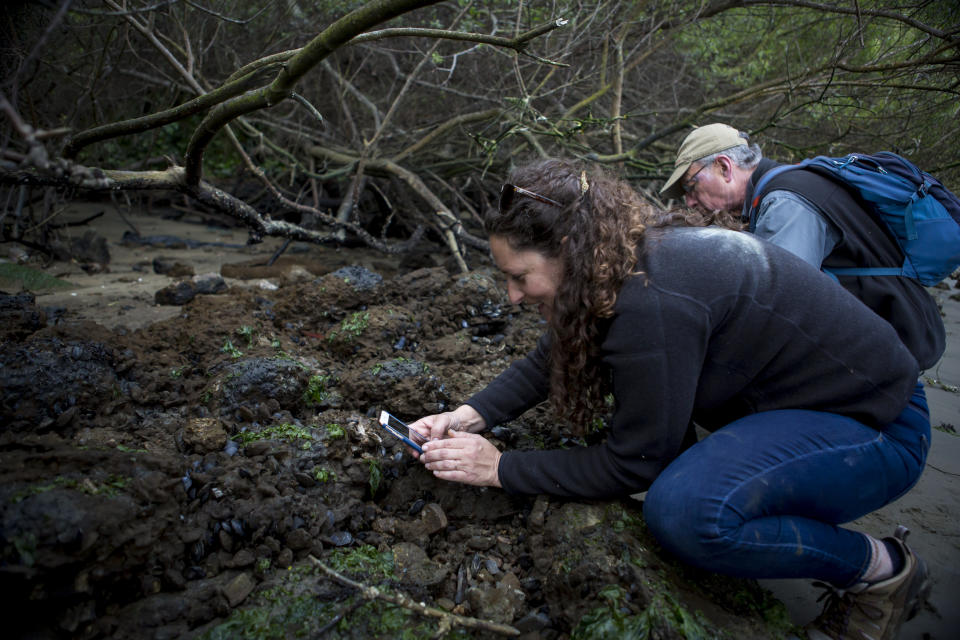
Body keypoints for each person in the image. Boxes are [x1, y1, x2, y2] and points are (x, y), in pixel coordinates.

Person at [410, 158, 931, 640]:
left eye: (519, 277)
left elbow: (637, 463)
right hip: (807, 405)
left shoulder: (652, 301)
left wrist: (501, 469)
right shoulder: (615, 258)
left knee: (685, 512)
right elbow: (550, 358)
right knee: (682, 478)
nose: (513, 297)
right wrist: (468, 415)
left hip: (881, 427)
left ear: (569, 246)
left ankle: (880, 570)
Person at [658, 122, 945, 373]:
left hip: (892, 353)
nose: (690, 202)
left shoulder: (786, 203)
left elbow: (778, 310)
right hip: (892, 337)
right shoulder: (783, 186)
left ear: (724, 166)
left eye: (690, 185)